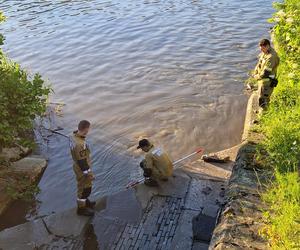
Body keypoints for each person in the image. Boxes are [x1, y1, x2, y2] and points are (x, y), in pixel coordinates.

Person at [70, 120, 96, 216]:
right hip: (81, 168)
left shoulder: (73, 136)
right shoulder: (80, 144)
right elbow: (82, 162)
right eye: (88, 129)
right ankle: (81, 209)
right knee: (85, 189)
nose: (89, 131)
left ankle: (85, 201)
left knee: (84, 187)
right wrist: (90, 174)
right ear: (85, 129)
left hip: (77, 165)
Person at [253, 38, 280, 108]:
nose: (261, 50)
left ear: (267, 46)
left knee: (263, 100)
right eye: (260, 49)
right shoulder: (265, 53)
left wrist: (256, 77)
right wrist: (255, 72)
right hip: (262, 81)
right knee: (261, 98)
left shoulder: (271, 57)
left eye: (263, 49)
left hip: (267, 83)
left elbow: (265, 73)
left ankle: (264, 115)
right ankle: (263, 114)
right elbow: (259, 63)